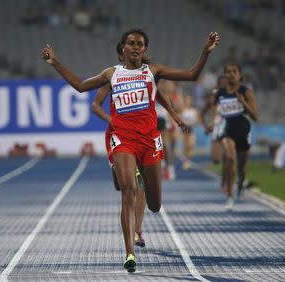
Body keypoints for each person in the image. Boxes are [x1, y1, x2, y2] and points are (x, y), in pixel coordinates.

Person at [41, 28, 219, 272]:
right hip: (123, 138)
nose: (135, 47)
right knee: (128, 192)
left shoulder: (152, 71)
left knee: (154, 204)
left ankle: (134, 180)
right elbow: (81, 86)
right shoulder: (111, 73)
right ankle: (129, 252)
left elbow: (192, 74)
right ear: (123, 48)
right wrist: (55, 62)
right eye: (131, 43)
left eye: (140, 44)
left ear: (144, 50)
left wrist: (205, 52)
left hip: (149, 140)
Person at [91, 42, 187, 249]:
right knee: (125, 187)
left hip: (145, 133)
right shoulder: (113, 76)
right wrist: (111, 121)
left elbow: (159, 96)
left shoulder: (147, 76)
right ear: (121, 55)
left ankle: (137, 230)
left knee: (140, 186)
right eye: (128, 49)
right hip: (120, 134)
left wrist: (174, 115)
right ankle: (119, 175)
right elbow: (94, 104)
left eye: (139, 47)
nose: (133, 53)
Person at [203, 63, 257, 210]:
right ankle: (230, 196)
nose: (231, 74)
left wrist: (243, 102)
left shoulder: (246, 91)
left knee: (242, 167)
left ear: (240, 75)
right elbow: (212, 110)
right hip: (227, 130)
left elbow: (255, 116)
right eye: (228, 71)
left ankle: (240, 185)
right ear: (225, 75)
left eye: (234, 71)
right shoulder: (219, 93)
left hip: (244, 129)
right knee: (230, 157)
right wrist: (212, 123)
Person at [180, 95, 198, 170]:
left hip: (191, 128)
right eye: (186, 101)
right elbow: (180, 119)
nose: (188, 102)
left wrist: (192, 122)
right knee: (186, 146)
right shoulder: (183, 110)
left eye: (189, 101)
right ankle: (186, 162)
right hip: (185, 130)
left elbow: (197, 120)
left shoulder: (193, 111)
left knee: (191, 145)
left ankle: (187, 160)